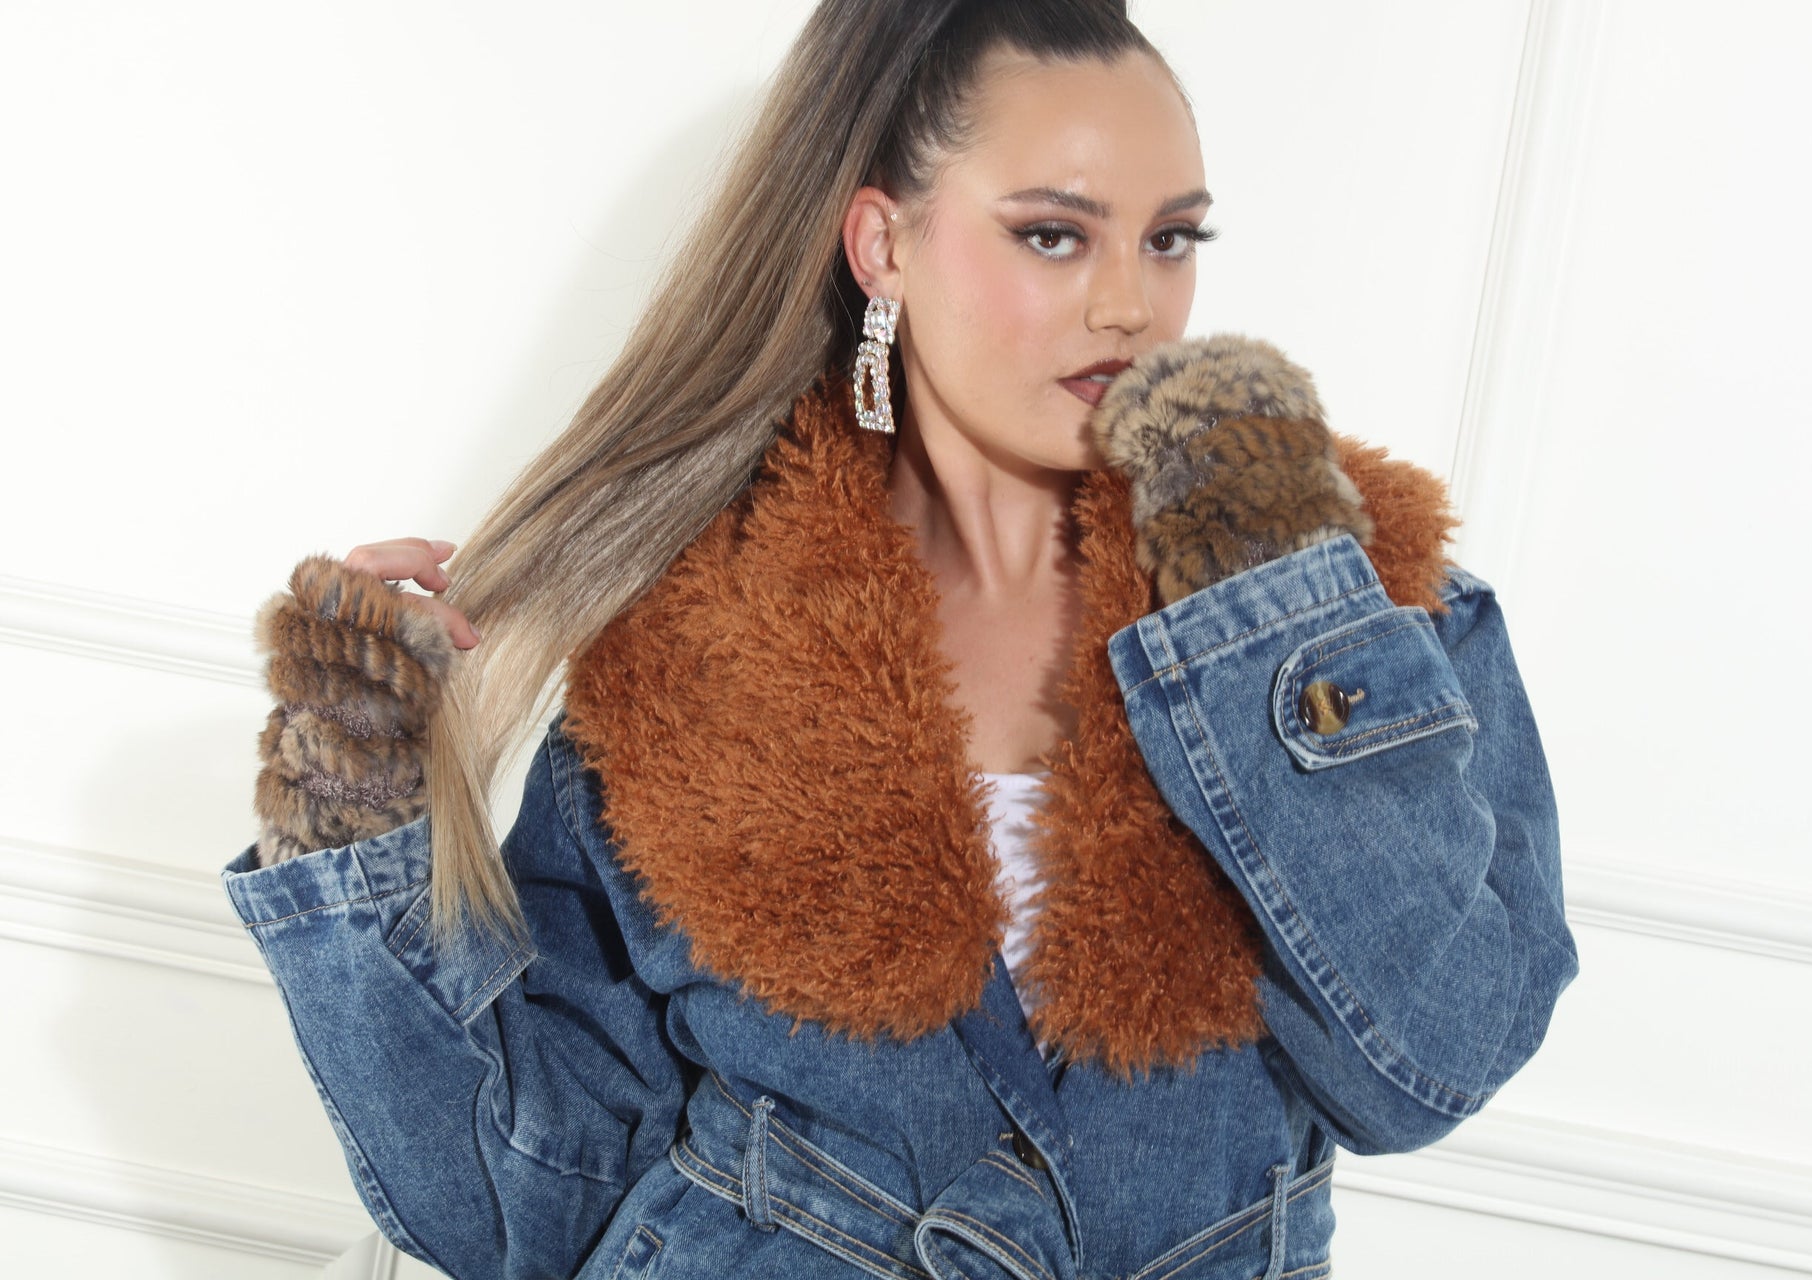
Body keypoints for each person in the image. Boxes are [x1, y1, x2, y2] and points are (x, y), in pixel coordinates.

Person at [226, 2, 1579, 1277]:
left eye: (1172, 239)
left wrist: (1261, 597)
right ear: (882, 245)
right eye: (1053, 235)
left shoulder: (1352, 604)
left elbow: (1423, 1072)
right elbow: (522, 1199)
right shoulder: (692, 645)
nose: (1131, 303)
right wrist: (363, 802)